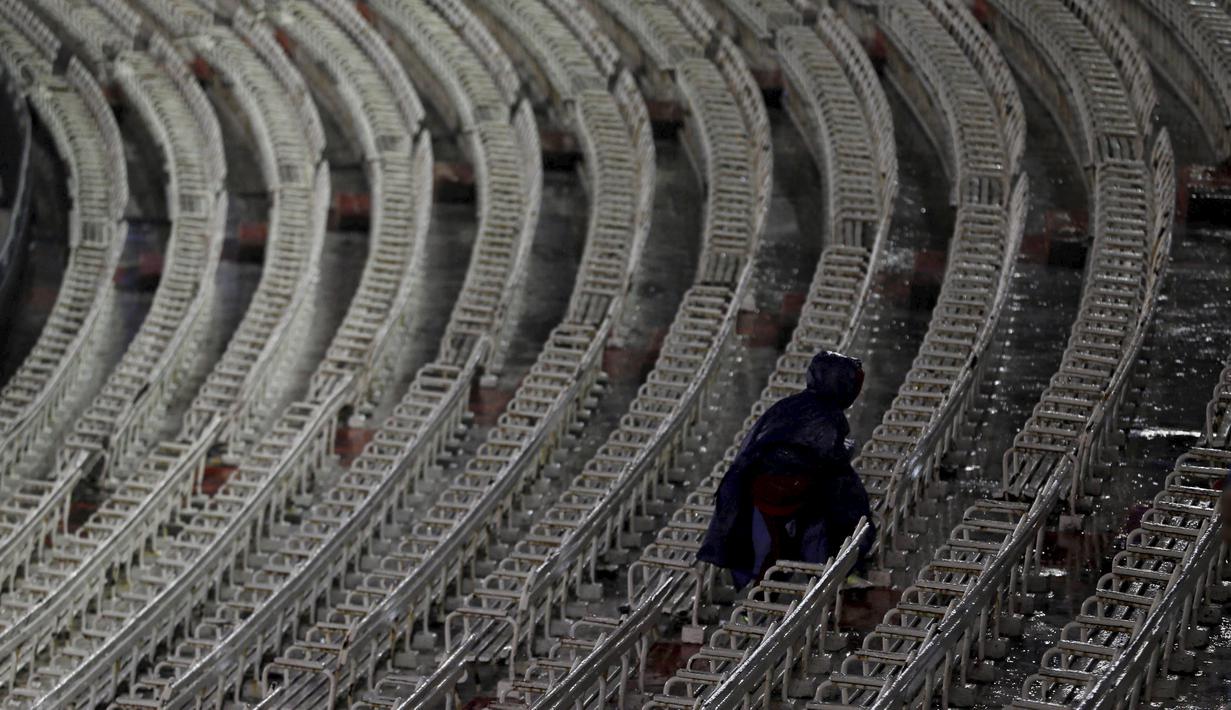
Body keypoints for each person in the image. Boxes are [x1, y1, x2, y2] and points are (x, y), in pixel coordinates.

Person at [698, 350, 875, 589]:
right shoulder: (831, 418)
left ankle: (758, 585)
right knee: (842, 506)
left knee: (769, 543)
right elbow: (829, 461)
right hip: (795, 492)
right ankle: (840, 568)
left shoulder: (786, 406)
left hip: (760, 489)